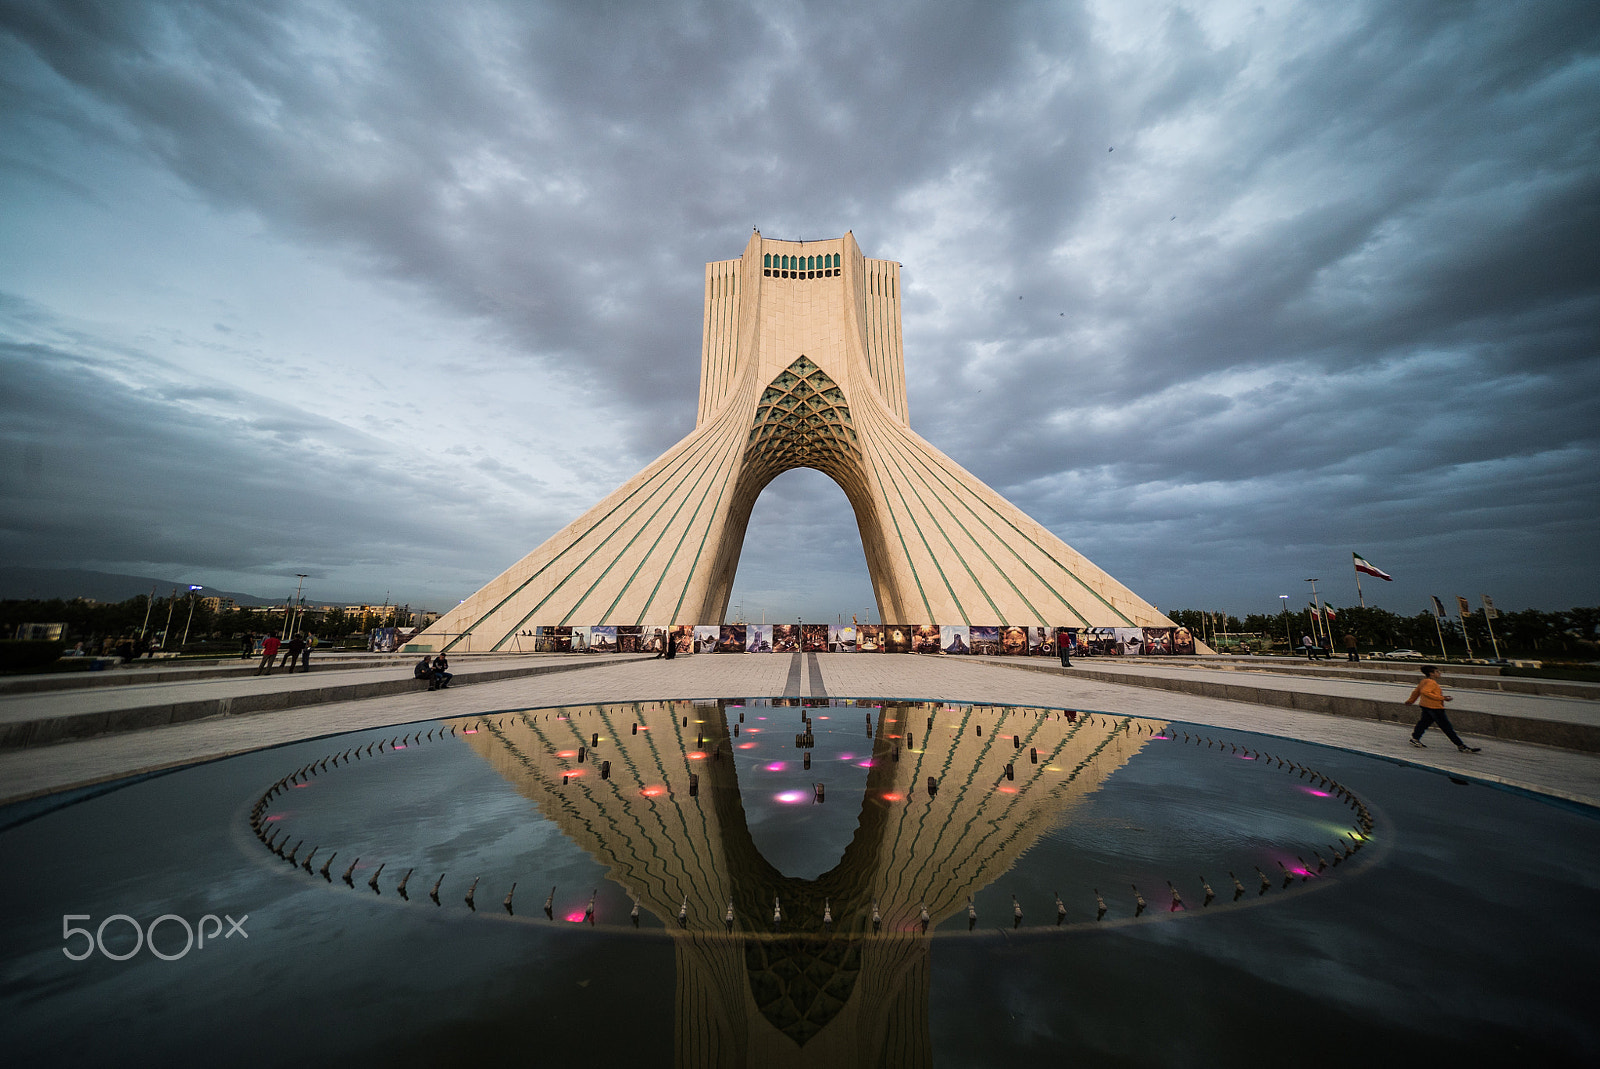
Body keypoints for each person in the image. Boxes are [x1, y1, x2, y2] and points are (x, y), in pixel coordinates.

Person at [1405, 665, 1480, 753]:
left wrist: (1410, 701)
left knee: (1423, 724)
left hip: (1426, 706)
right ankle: (1461, 746)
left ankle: (1415, 738)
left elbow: (1416, 692)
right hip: (1434, 708)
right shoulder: (1431, 683)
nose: (1439, 673)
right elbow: (1424, 692)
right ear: (1431, 673)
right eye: (1437, 672)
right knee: (1446, 727)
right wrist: (1443, 698)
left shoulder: (1424, 681)